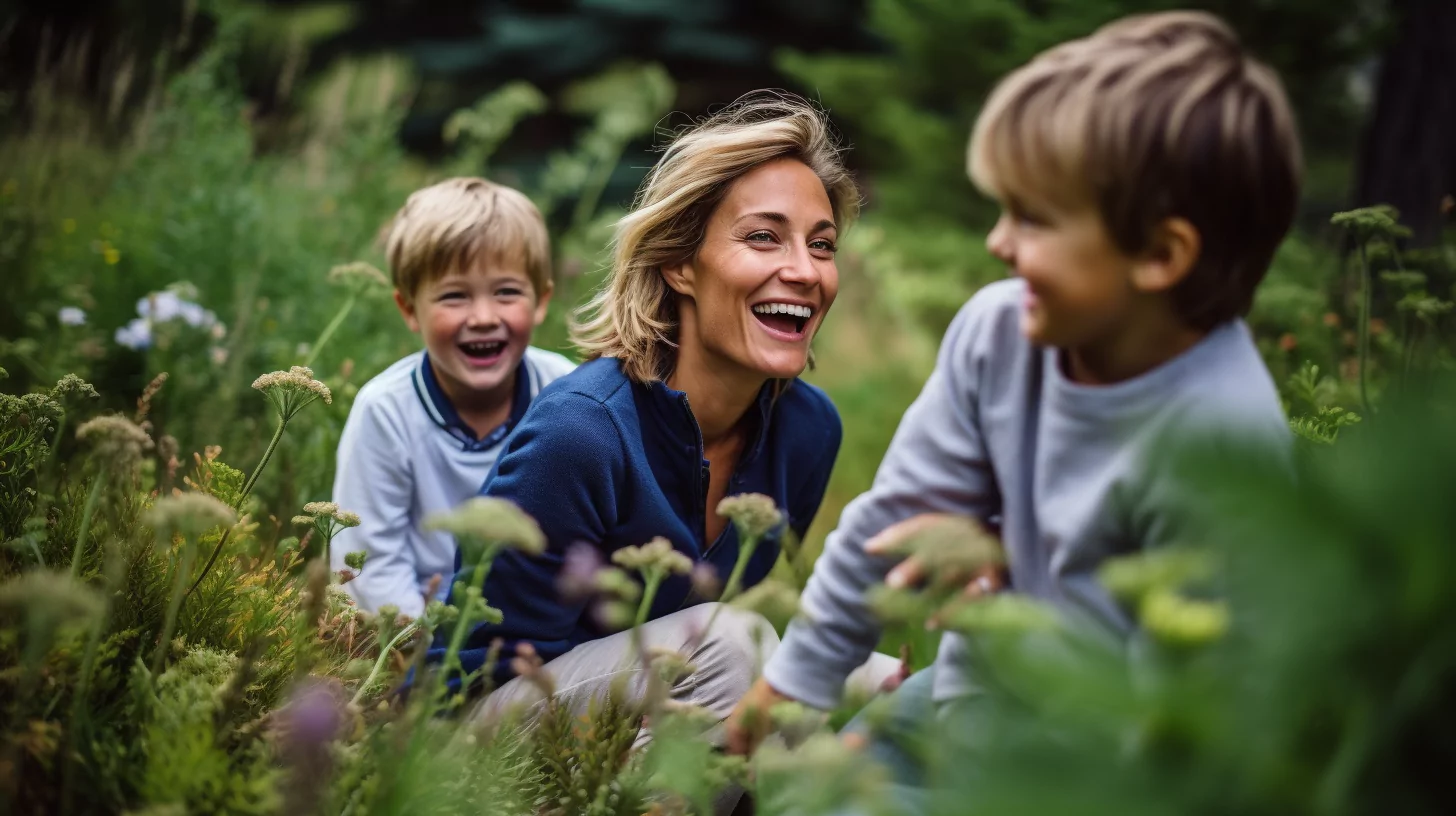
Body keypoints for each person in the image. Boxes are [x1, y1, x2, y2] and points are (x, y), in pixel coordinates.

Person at [724, 9, 1303, 803]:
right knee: (805, 797)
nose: (999, 242)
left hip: (1092, 770)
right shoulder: (1002, 333)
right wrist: (793, 683)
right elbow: (891, 521)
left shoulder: (1220, 443)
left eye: (1034, 218)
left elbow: (1190, 727)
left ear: (1161, 255)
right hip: (963, 701)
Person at [440, 93, 901, 725]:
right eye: (764, 238)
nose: (804, 270)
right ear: (681, 263)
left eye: (821, 246)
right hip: (482, 738)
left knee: (898, 689)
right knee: (731, 645)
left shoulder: (809, 431)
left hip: (674, 706)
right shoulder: (581, 432)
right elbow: (479, 678)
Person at [330, 177, 575, 619]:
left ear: (541, 300)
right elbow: (370, 565)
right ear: (408, 309)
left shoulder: (566, 392)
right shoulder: (386, 411)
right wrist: (434, 656)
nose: (483, 318)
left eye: (506, 292)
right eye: (454, 296)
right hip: (418, 636)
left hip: (536, 628)